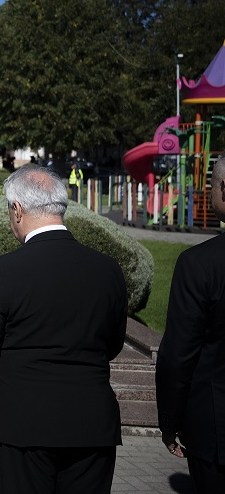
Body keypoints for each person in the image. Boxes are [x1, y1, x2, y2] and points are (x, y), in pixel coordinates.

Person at [0, 165, 127, 494]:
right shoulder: (108, 270)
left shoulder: (3, 271)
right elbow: (113, 343)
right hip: (91, 422)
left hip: (21, 425)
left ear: (17, 210)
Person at [156, 157, 225, 492]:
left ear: (223, 189)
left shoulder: (200, 265)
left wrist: (169, 423)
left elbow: (178, 356)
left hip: (215, 433)